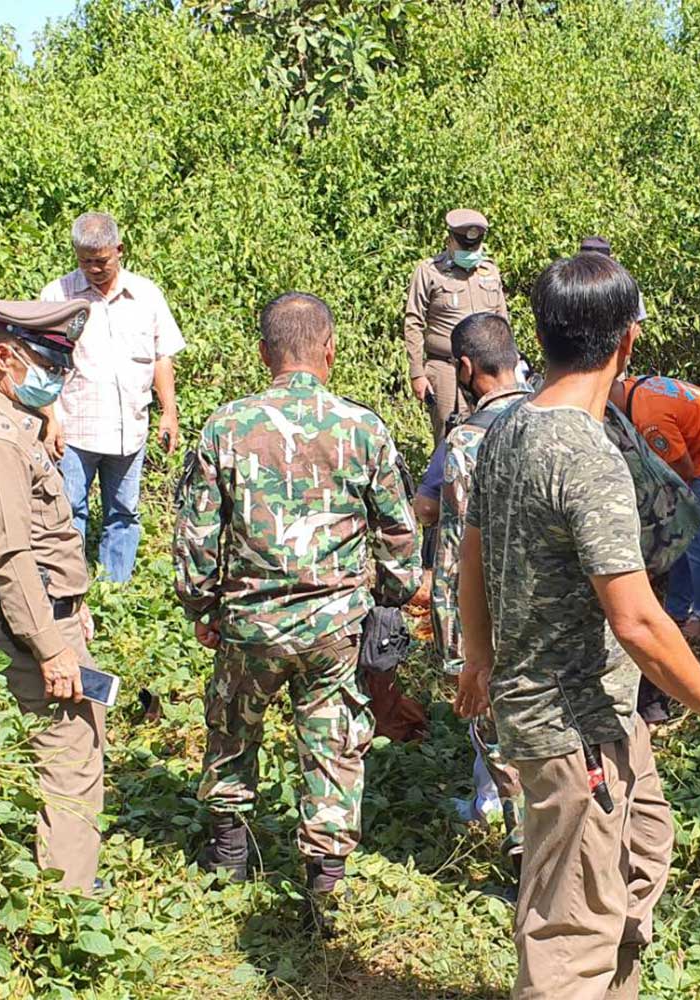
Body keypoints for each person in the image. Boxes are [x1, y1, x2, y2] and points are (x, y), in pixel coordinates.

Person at [454, 253, 700, 1000]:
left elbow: (472, 544)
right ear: (627, 342)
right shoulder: (584, 453)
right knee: (572, 930)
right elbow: (635, 618)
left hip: (600, 713)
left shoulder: (508, 426)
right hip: (572, 729)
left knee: (639, 860)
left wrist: (478, 652)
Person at [173, 292, 421, 928]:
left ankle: (229, 853)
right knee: (333, 743)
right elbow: (397, 532)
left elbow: (198, 532)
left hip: (250, 623)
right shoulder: (363, 428)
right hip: (334, 623)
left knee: (232, 726)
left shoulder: (225, 427)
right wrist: (390, 597)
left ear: (264, 354)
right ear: (330, 350)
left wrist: (202, 603)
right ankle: (326, 883)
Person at [0, 298, 105, 890]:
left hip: (53, 619)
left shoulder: (17, 427)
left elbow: (47, 537)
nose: (57, 381)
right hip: (36, 632)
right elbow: (12, 556)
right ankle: (65, 916)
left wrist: (76, 606)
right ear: (4, 358)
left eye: (64, 369)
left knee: (76, 756)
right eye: (48, 366)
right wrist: (50, 647)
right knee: (68, 770)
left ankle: (62, 894)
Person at [432, 311, 533, 853]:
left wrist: (455, 640)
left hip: (491, 610)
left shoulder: (467, 442)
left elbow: (454, 545)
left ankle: (519, 832)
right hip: (554, 608)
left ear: (466, 368)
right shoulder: (560, 418)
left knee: (495, 723)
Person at [40, 212, 185, 583]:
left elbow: (160, 357)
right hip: (75, 429)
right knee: (69, 510)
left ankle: (114, 590)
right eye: (85, 261)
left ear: (119, 250)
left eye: (101, 260)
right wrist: (50, 420)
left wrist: (169, 413)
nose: (93, 269)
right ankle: (67, 588)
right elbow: (43, 364)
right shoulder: (57, 296)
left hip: (129, 429)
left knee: (124, 512)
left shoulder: (146, 295)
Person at [609, 373, 700, 642]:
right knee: (682, 531)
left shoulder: (649, 419)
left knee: (696, 537)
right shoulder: (636, 388)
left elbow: (683, 470)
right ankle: (676, 610)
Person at [403, 209, 511, 442]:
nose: (470, 253)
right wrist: (417, 374)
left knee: (493, 434)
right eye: (464, 247)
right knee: (448, 438)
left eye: (474, 248)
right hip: (446, 370)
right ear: (450, 240)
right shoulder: (430, 271)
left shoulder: (490, 272)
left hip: (488, 370)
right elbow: (413, 322)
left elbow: (502, 321)